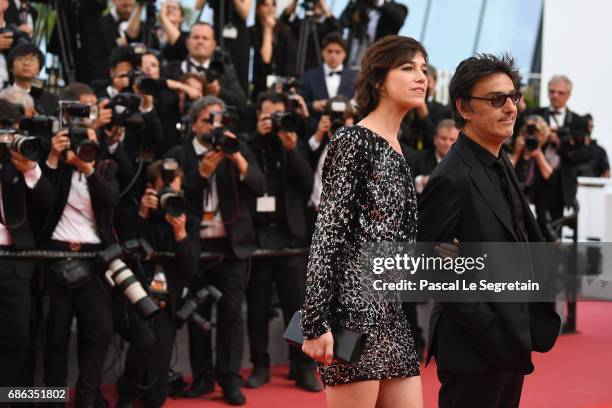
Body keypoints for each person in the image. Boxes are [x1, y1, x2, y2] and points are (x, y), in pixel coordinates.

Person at [417, 53, 561, 408]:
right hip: (475, 349)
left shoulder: (501, 158)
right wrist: (491, 327)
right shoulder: (452, 176)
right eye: (496, 99)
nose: (511, 108)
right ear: (464, 108)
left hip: (510, 340)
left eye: (513, 97)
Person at [301, 35, 425, 408]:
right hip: (352, 312)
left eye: (423, 68)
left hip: (391, 314)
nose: (421, 76)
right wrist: (315, 321)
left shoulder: (399, 148)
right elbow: (328, 233)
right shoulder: (354, 139)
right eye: (408, 67)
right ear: (377, 80)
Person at [165, 96, 265, 405]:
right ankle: (203, 378)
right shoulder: (178, 154)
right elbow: (172, 196)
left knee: (231, 315)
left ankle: (229, 379)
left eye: (220, 120)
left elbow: (259, 186)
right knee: (198, 315)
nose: (215, 126)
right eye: (209, 120)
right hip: (195, 246)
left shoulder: (236, 146)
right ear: (194, 124)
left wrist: (236, 158)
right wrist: (201, 174)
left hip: (231, 248)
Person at [245, 91, 318, 392]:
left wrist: (291, 149)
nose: (275, 121)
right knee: (258, 306)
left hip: (292, 236)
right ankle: (259, 365)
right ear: (259, 116)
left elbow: (307, 183)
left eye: (279, 114)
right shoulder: (248, 144)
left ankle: (300, 367)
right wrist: (259, 138)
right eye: (268, 115)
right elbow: (247, 179)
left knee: (297, 308)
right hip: (259, 237)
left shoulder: (294, 141)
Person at [115, 160, 200, 408]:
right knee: (144, 339)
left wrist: (181, 235)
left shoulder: (187, 219)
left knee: (157, 398)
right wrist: (142, 214)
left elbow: (190, 268)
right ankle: (128, 392)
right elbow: (126, 251)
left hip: (167, 299)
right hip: (133, 294)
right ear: (151, 189)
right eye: (166, 193)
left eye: (176, 192)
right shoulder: (136, 212)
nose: (171, 198)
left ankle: (149, 392)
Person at [164, 22, 246, 109]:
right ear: (187, 42)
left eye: (205, 38)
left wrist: (219, 91)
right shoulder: (171, 69)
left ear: (214, 45)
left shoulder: (225, 71)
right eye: (196, 37)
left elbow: (241, 102)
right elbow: (160, 102)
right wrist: (183, 90)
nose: (200, 41)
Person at [300, 32, 356, 119]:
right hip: (316, 126)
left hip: (347, 126)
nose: (333, 55)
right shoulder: (309, 76)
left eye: (337, 52)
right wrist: (314, 105)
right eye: (329, 51)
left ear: (344, 54)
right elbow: (301, 103)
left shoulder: (354, 77)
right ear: (323, 52)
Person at [249, 0, 296, 100]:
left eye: (273, 5)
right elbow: (265, 60)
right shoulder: (252, 32)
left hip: (282, 87)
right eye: (266, 5)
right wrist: (267, 30)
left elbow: (290, 63)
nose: (270, 8)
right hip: (260, 87)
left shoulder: (285, 31)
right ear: (258, 9)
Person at [412, 118, 458, 195]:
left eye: (452, 140)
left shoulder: (463, 163)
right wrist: (420, 181)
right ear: (435, 139)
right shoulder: (418, 158)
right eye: (443, 138)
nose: (447, 143)